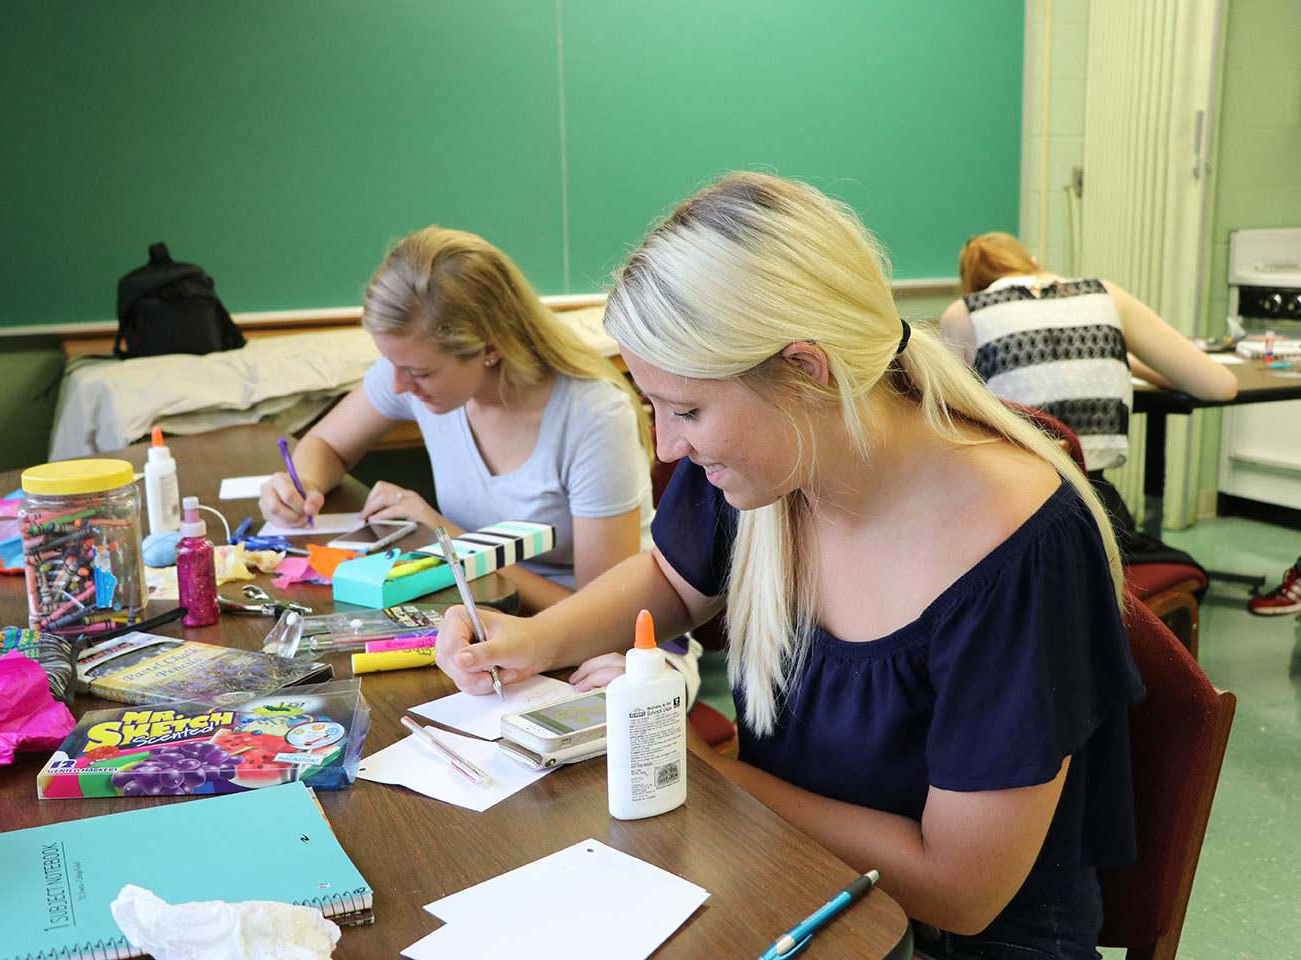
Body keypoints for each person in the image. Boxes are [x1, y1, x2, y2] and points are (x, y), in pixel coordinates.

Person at [435, 173, 1146, 959]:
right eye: (654, 408)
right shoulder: (765, 466)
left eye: (689, 411)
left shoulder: (1019, 550)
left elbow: (962, 891)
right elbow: (674, 582)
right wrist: (527, 642)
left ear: (807, 371)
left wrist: (693, 763)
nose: (667, 447)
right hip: (788, 873)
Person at [259, 226, 655, 614]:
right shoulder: (411, 369)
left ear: (490, 347)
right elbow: (325, 445)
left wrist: (449, 543)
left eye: (421, 373)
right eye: (392, 364)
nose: (397, 385)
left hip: (615, 651)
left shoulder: (594, 418)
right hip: (482, 609)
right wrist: (303, 486)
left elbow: (601, 617)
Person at [940, 231, 1237, 471]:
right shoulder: (1104, 294)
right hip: (1096, 497)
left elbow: (944, 423)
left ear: (971, 286)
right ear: (1033, 261)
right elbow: (1221, 386)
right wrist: (1122, 358)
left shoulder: (965, 312)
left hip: (1015, 492)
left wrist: (1119, 358)